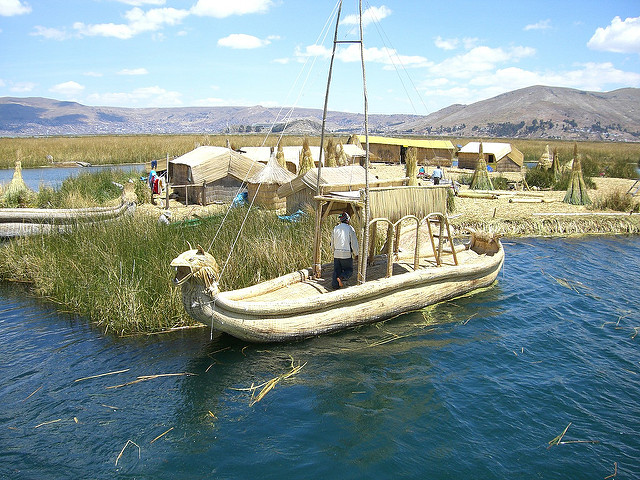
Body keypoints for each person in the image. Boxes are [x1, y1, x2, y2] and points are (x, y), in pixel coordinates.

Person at [331, 212, 359, 289]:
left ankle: (335, 286)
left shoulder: (335, 228)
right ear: (347, 220)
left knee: (336, 270)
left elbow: (332, 242)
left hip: (337, 253)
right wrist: (356, 253)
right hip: (346, 254)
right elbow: (354, 242)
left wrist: (333, 251)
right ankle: (342, 277)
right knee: (349, 270)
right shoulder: (350, 228)